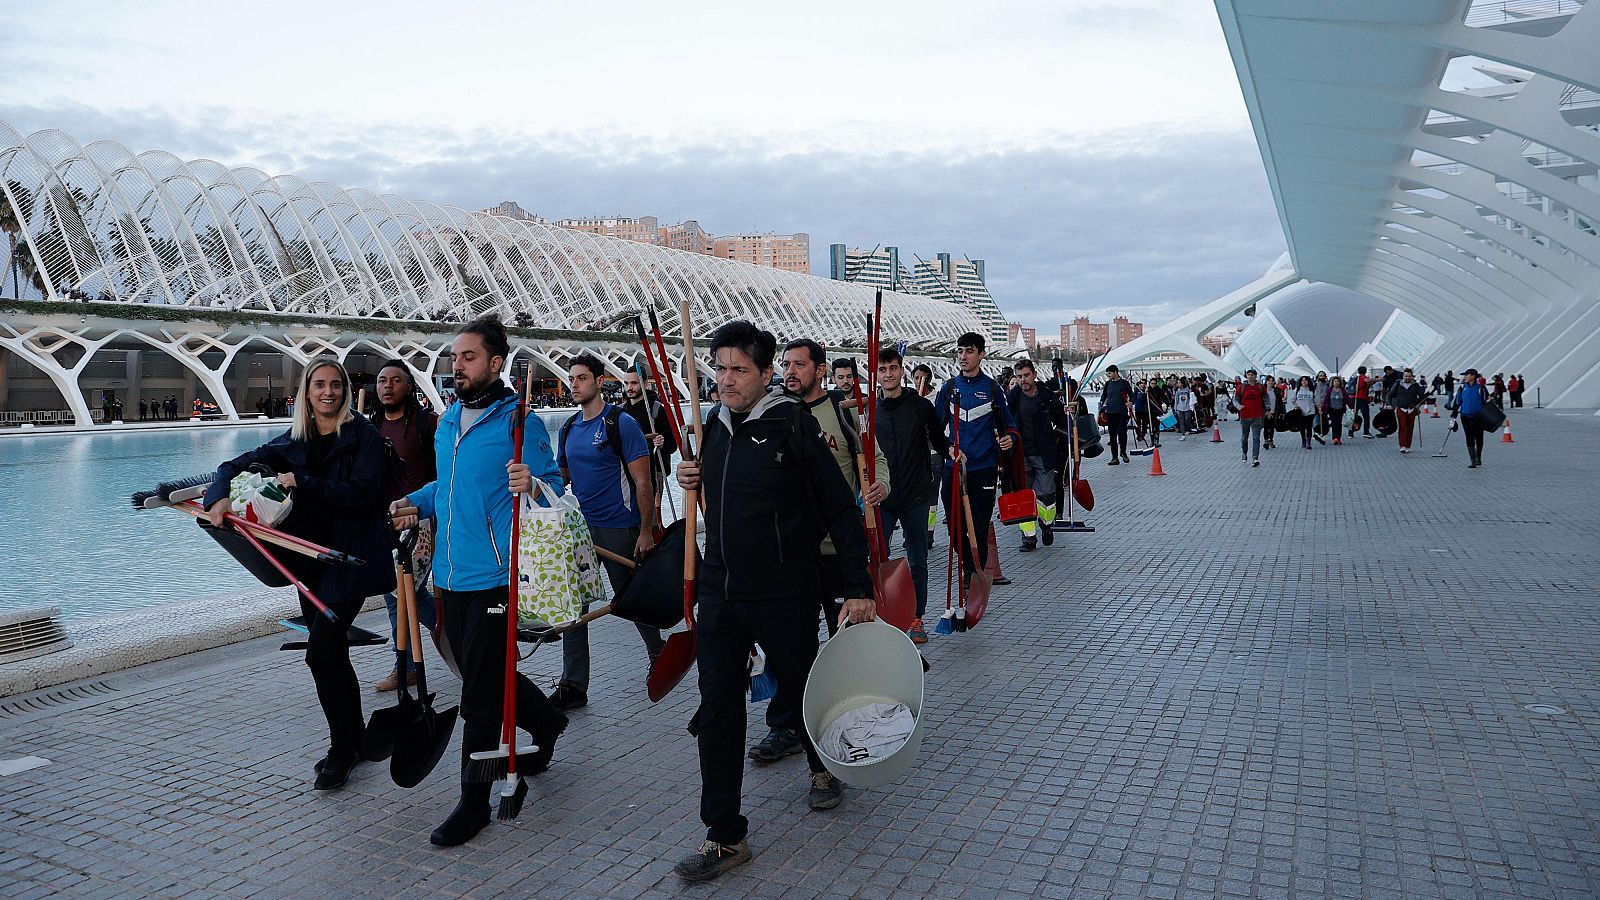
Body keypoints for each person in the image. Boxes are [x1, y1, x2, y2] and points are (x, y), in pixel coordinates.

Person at [671, 320, 875, 882]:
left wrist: (858, 586)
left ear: (766, 375)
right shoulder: (710, 427)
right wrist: (691, 475)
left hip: (785, 588)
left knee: (804, 687)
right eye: (719, 368)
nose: (726, 380)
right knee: (717, 711)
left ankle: (823, 767)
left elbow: (840, 509)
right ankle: (725, 835)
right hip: (721, 590)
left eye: (739, 370)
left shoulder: (793, 428)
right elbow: (710, 493)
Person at [390, 315, 570, 847]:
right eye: (454, 357)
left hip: (496, 576)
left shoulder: (521, 422)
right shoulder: (448, 418)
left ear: (496, 362)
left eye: (469, 357)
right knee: (481, 672)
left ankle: (475, 803)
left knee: (481, 695)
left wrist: (532, 482)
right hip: (449, 574)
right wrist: (415, 504)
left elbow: (557, 491)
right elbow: (447, 486)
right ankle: (547, 723)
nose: (457, 366)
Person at [203, 357, 394, 791]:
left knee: (320, 653)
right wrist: (218, 497)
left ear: (345, 390)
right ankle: (355, 738)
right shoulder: (294, 439)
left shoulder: (362, 434)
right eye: (319, 385)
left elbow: (365, 496)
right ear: (307, 392)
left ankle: (342, 749)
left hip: (350, 559)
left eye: (335, 385)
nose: (328, 392)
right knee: (332, 654)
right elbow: (233, 465)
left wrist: (302, 484)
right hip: (309, 562)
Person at [748, 338, 887, 764]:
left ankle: (846, 723)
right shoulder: (772, 415)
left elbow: (875, 459)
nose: (790, 371)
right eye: (785, 364)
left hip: (836, 552)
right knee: (789, 646)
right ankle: (786, 724)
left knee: (841, 644)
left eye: (799, 365)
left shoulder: (843, 418)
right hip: (790, 556)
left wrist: (881, 484)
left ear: (820, 371)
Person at [553, 354, 664, 710]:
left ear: (600, 382)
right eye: (571, 378)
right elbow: (560, 480)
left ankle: (657, 652)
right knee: (573, 604)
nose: (574, 384)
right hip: (581, 529)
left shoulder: (621, 423)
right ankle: (574, 684)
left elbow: (643, 482)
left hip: (620, 527)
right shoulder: (569, 428)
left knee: (628, 599)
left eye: (582, 378)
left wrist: (645, 531)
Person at [372, 359, 439, 692]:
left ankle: (448, 633)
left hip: (420, 522)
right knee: (395, 592)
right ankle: (410, 663)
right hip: (387, 521)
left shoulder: (427, 424)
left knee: (404, 591)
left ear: (409, 386)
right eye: (382, 380)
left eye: (395, 381)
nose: (387, 386)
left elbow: (449, 472)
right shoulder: (372, 426)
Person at [873, 346, 948, 644]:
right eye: (882, 369)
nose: (888, 374)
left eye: (893, 368)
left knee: (917, 559)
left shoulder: (920, 406)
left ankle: (916, 618)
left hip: (917, 495)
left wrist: (953, 453)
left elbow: (939, 440)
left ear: (901, 370)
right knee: (879, 557)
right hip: (884, 498)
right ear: (876, 374)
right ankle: (882, 614)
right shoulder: (870, 411)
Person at [935, 332, 1018, 590]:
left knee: (979, 528)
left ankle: (973, 576)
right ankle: (968, 565)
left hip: (984, 469)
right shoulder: (948, 389)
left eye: (969, 351)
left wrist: (1009, 440)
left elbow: (1010, 426)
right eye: (960, 351)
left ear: (981, 354)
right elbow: (936, 432)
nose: (963, 356)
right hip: (953, 469)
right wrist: (948, 448)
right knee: (954, 529)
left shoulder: (993, 389)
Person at [1005, 359, 1068, 552]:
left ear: (1034, 375)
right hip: (1020, 454)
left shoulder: (1047, 396)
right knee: (1023, 496)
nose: (1023, 380)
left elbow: (1061, 420)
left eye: (1026, 375)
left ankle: (1047, 525)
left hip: (1043, 453)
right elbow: (1003, 422)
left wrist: (1069, 414)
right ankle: (1028, 538)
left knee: (1047, 493)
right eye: (1019, 376)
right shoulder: (1011, 398)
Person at [619, 369, 678, 507]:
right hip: (626, 472)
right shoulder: (620, 411)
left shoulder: (658, 409)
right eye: (626, 383)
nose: (629, 388)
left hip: (654, 471)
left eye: (634, 383)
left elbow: (673, 445)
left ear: (645, 384)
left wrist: (662, 442)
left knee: (652, 515)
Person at [1450, 369, 1492, 469]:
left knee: (1479, 438)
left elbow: (1487, 401)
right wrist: (1453, 416)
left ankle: (1478, 456)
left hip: (1479, 417)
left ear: (1472, 376)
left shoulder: (1481, 388)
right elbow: (1457, 402)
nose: (1464, 377)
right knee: (1469, 437)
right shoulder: (1462, 388)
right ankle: (1472, 460)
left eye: (1466, 375)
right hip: (1465, 416)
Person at [1099, 364, 1133, 464]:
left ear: (1115, 372)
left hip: (1122, 412)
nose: (1108, 375)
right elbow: (1104, 396)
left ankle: (1123, 452)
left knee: (1122, 433)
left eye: (1110, 373)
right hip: (1110, 412)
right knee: (1112, 436)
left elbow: (1131, 395)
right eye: (1107, 373)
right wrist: (1101, 404)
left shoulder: (1124, 383)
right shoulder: (1108, 384)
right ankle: (1114, 457)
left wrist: (1131, 402)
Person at [1234, 369, 1268, 467]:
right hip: (1244, 416)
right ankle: (1244, 453)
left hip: (1257, 416)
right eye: (1248, 375)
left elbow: (1266, 398)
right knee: (1245, 437)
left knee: (1256, 438)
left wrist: (1268, 409)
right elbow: (1235, 399)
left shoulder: (1260, 387)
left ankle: (1255, 458)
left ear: (1255, 376)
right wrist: (1238, 406)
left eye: (1252, 375)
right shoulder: (1242, 387)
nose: (1250, 376)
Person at [1387, 368, 1426, 454]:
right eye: (1406, 376)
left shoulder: (1415, 385)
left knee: (1410, 427)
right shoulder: (1398, 384)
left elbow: (1421, 396)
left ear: (1412, 376)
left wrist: (1418, 405)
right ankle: (1402, 445)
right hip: (1401, 408)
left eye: (1409, 376)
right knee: (1402, 427)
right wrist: (1389, 404)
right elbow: (1390, 395)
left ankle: (1408, 445)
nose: (1407, 378)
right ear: (1403, 376)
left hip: (1412, 409)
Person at [1291, 376, 1316, 449]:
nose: (1304, 382)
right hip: (1300, 412)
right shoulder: (1297, 390)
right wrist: (1296, 406)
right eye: (1302, 381)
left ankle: (1309, 443)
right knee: (1301, 427)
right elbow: (1293, 400)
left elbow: (1316, 400)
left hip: (1310, 411)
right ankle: (1303, 440)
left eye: (1306, 380)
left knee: (1308, 427)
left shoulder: (1312, 390)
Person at [1323, 375, 1348, 446]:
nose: (1336, 383)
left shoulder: (1342, 390)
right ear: (1332, 383)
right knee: (1334, 423)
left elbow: (1347, 399)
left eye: (1338, 381)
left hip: (1340, 409)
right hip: (1332, 409)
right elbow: (1326, 399)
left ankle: (1339, 438)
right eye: (1335, 381)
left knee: (1339, 423)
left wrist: (1351, 407)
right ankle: (1335, 438)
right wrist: (1324, 409)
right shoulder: (1329, 390)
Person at [1352, 366, 1373, 438]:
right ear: (1365, 371)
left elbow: (1366, 386)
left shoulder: (1356, 378)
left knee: (1353, 415)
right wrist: (1377, 379)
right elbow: (1367, 381)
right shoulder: (1363, 377)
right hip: (1362, 399)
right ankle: (1366, 432)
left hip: (1353, 398)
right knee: (1366, 416)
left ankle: (1350, 433)